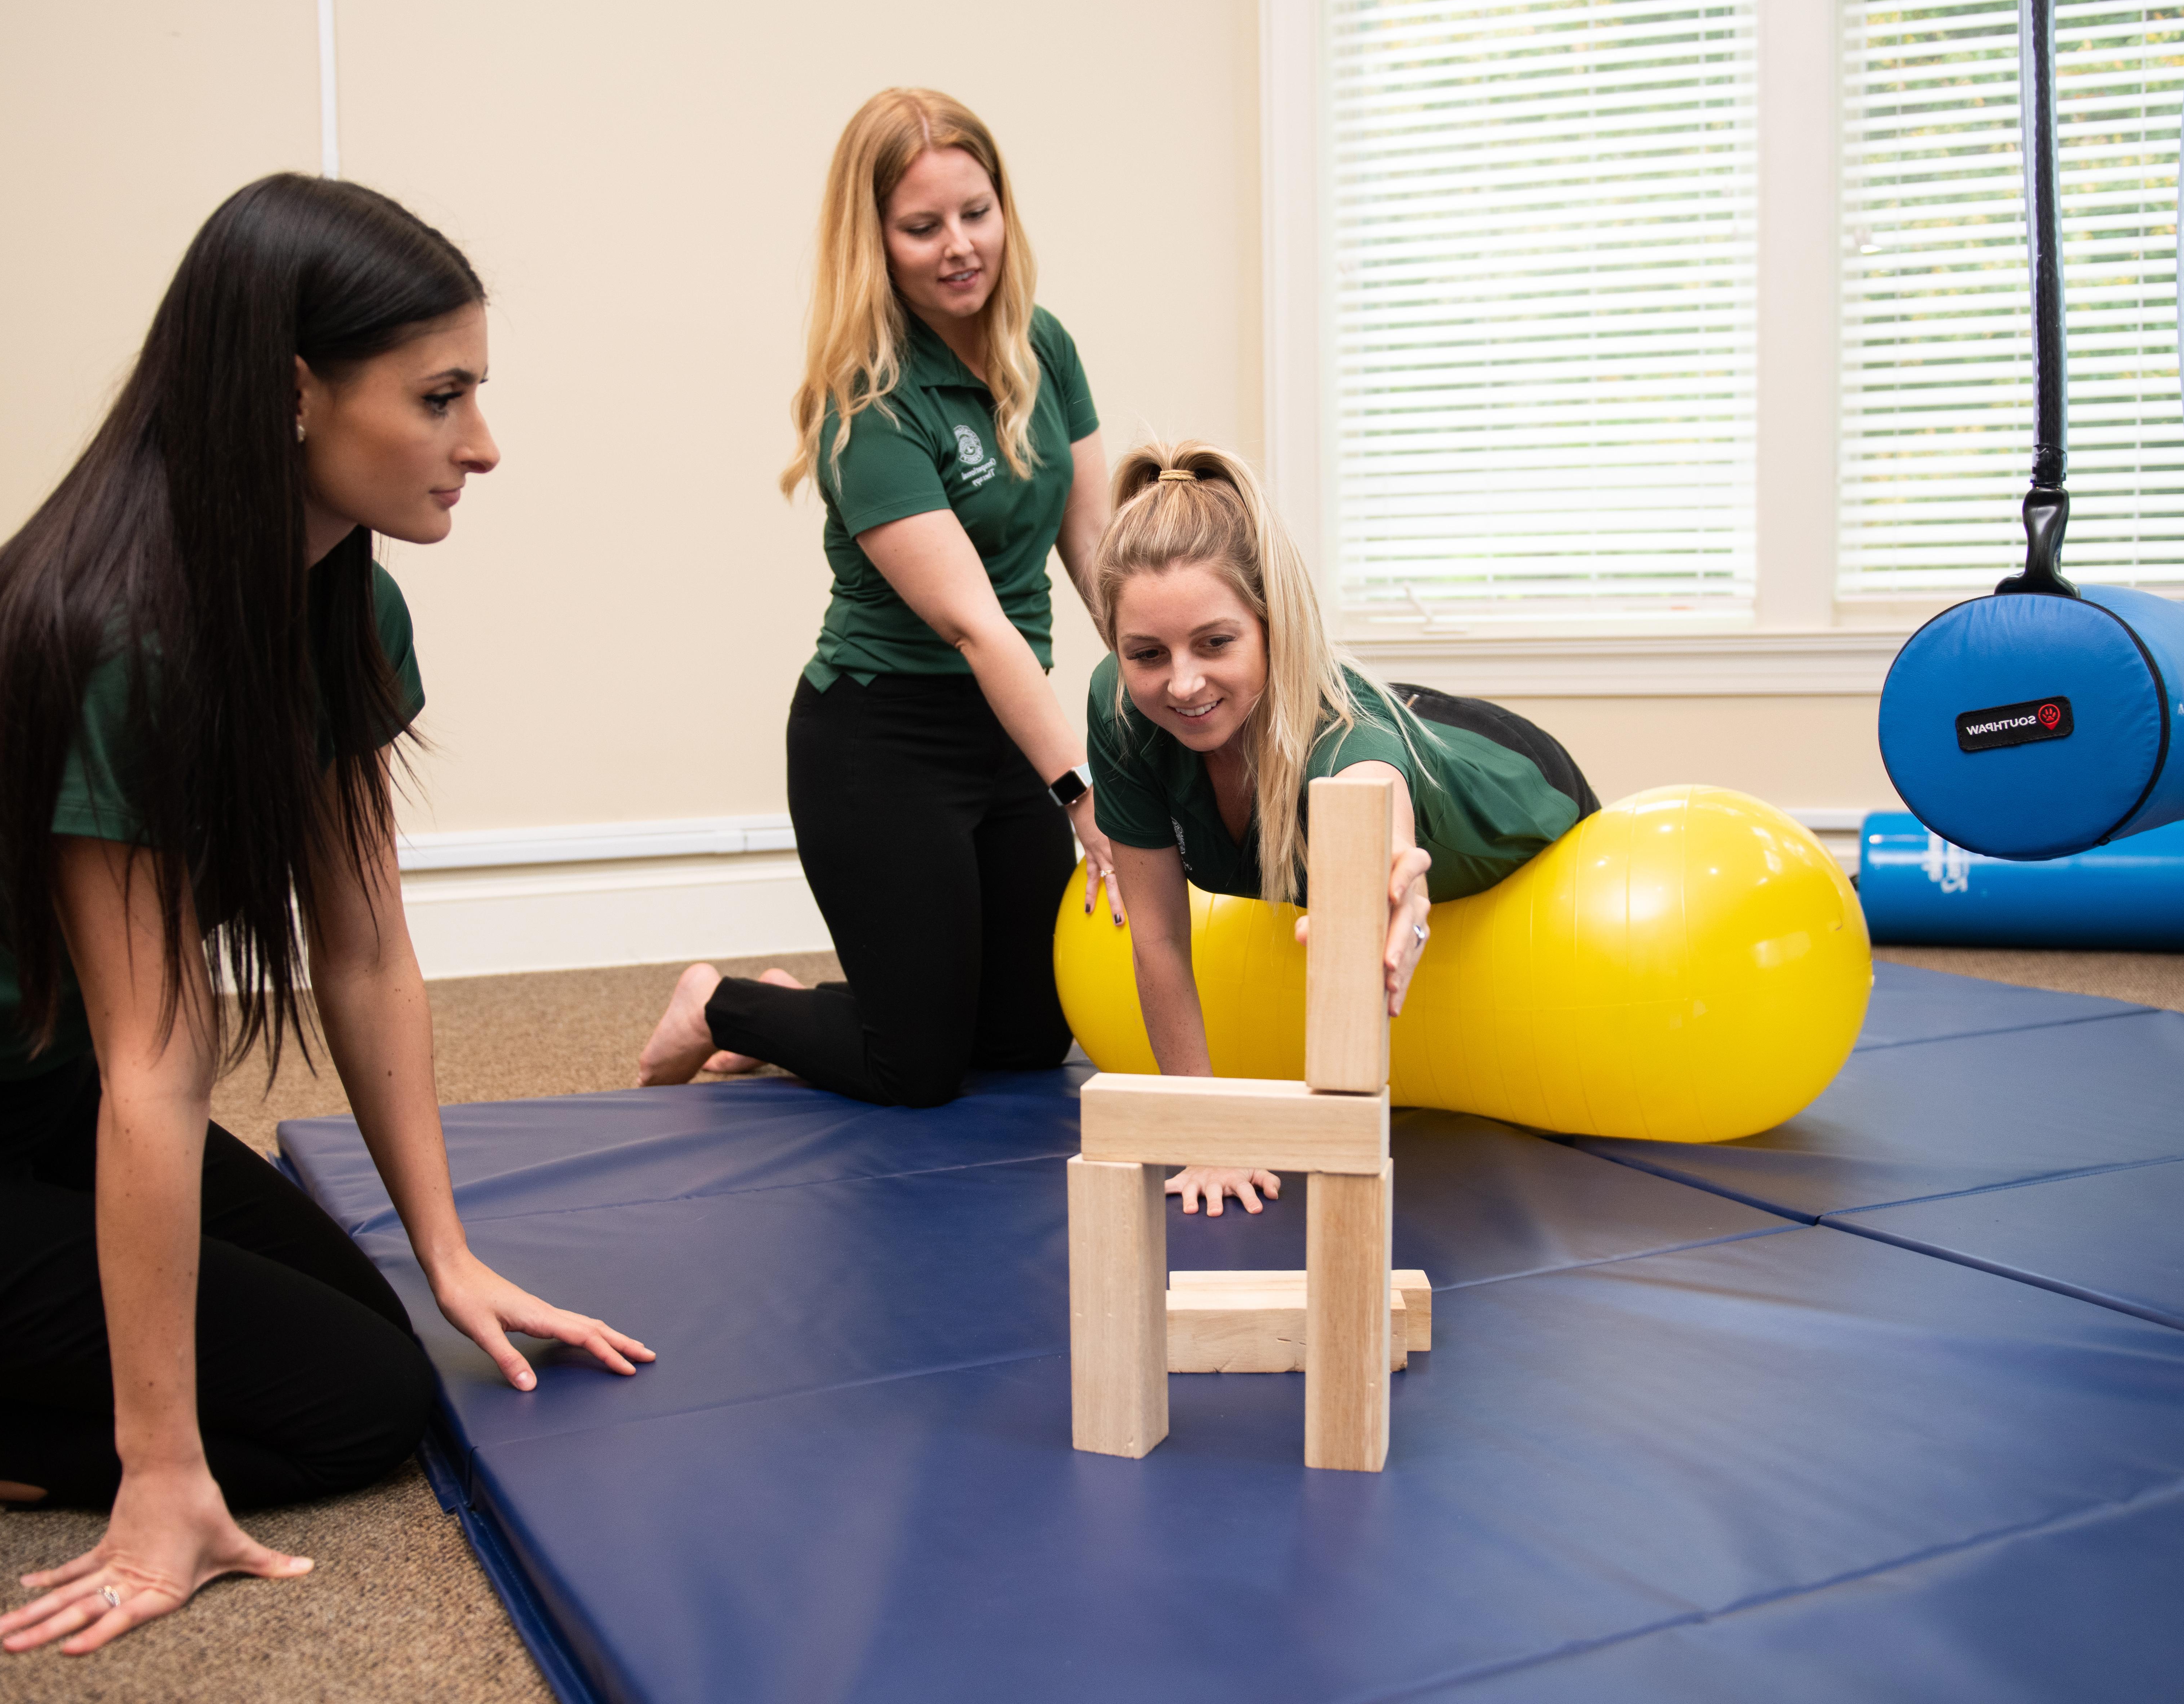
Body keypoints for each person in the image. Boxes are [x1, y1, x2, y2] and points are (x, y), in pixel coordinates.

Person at [0, 174, 650, 1656]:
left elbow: (363, 952)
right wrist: (159, 1468)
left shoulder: (342, 603)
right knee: (343, 1410)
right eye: (439, 398)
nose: (480, 445)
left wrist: (448, 1252)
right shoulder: (110, 633)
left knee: (372, 1339)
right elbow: (157, 1069)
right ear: (296, 392)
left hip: (23, 1106)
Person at [636, 88, 1121, 1105]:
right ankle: (720, 1001)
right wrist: (1082, 796)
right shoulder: (866, 400)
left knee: (1033, 1037)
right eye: (922, 225)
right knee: (918, 1065)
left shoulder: (1047, 347)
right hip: (880, 742)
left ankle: (835, 996)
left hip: (1004, 737)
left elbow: (1098, 558)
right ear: (876, 240)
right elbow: (975, 624)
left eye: (976, 212)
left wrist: (1165, 700)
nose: (960, 246)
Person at [1083, 443, 1602, 1214]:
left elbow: (1375, 805)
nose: (1182, 681)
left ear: (1270, 623)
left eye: (1215, 642)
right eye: (1147, 653)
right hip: (1376, 711)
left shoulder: (1342, 740)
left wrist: (1398, 884)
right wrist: (1206, 1133)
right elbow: (1156, 934)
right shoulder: (1125, 709)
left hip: (1501, 774)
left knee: (1375, 735)